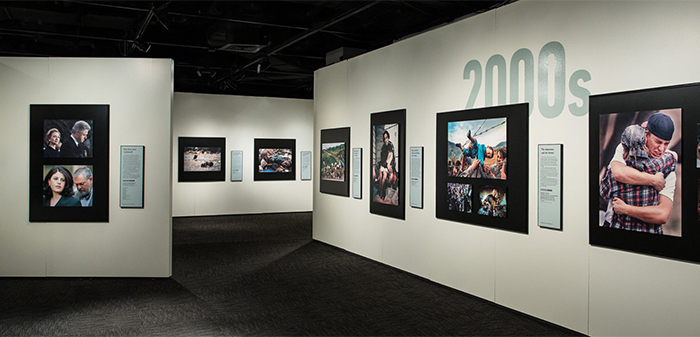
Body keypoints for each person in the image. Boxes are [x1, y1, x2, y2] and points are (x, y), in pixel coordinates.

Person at [601, 113, 677, 234]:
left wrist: (627, 209)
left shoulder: (667, 162)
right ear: (646, 134)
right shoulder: (626, 146)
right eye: (658, 142)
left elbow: (662, 214)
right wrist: (653, 180)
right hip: (614, 227)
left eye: (666, 143)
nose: (661, 149)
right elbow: (619, 172)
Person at [377, 130, 397, 199]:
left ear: (388, 138)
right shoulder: (383, 147)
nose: (385, 139)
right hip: (384, 164)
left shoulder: (390, 145)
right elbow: (383, 158)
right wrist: (382, 165)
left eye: (386, 138)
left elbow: (390, 156)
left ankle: (381, 191)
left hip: (388, 165)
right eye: (384, 138)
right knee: (382, 174)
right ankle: (381, 191)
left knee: (385, 176)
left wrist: (388, 164)